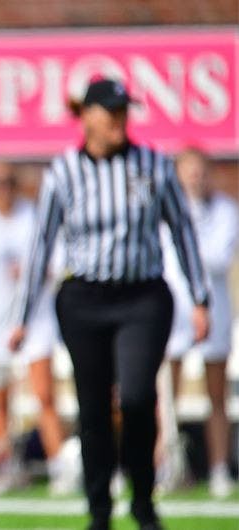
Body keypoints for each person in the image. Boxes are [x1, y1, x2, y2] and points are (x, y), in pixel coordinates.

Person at [9, 79, 210, 530]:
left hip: (142, 296)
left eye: (125, 110)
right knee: (94, 406)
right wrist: (21, 317)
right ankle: (99, 510)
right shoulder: (63, 172)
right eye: (111, 110)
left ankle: (143, 502)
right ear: (87, 116)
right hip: (84, 299)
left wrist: (200, 298)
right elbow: (40, 245)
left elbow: (182, 232)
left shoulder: (154, 165)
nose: (120, 119)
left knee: (138, 398)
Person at [0, 161, 76, 496]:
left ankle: (58, 467)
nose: (2, 188)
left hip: (34, 321)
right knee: (0, 400)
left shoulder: (34, 219)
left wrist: (31, 273)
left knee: (44, 395)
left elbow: (58, 265)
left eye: (8, 182)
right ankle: (9, 466)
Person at [159, 147, 237, 498]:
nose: (195, 177)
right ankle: (168, 465)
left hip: (213, 308)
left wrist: (190, 250)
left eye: (200, 170)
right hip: (175, 311)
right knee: (164, 393)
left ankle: (219, 466)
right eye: (188, 170)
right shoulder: (165, 213)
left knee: (216, 394)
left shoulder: (224, 210)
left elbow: (219, 257)